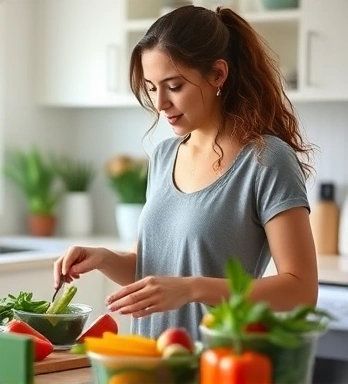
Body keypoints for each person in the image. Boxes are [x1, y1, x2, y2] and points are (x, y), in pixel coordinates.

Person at [53, 5, 318, 341]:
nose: (160, 102)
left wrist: (193, 289)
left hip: (220, 364)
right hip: (150, 363)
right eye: (151, 87)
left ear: (218, 74)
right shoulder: (164, 156)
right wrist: (104, 259)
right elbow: (155, 270)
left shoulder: (267, 160)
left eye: (174, 85)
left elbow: (301, 289)